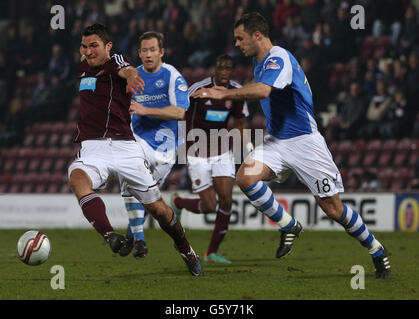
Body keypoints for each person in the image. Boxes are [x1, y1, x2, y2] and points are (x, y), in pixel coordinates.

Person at [192, 12, 391, 279]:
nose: (237, 44)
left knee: (333, 209)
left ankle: (377, 250)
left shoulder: (279, 58)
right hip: (277, 142)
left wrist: (224, 93)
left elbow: (262, 91)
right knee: (246, 177)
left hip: (305, 143)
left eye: (240, 38)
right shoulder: (258, 61)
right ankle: (288, 225)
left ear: (257, 35)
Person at [67, 23, 203, 277]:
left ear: (108, 46)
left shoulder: (115, 61)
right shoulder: (83, 67)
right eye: (84, 46)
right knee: (76, 178)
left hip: (125, 146)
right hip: (93, 146)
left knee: (158, 210)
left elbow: (127, 69)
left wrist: (131, 78)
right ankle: (110, 236)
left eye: (94, 45)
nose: (88, 51)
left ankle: (187, 250)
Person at [169, 54, 249, 264]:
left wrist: (249, 149)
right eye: (220, 68)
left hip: (222, 151)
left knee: (226, 199)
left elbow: (240, 122)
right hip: (197, 153)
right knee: (209, 206)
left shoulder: (236, 92)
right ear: (215, 69)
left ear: (232, 71)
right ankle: (178, 201)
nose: (223, 72)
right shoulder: (198, 89)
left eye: (228, 68)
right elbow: (180, 113)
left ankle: (211, 252)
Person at [119, 31, 189, 259]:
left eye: (153, 50)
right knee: (129, 171)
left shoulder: (172, 76)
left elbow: (180, 112)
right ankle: (139, 240)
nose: (148, 55)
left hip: (165, 148)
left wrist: (145, 109)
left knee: (148, 198)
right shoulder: (133, 76)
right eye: (144, 51)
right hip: (137, 140)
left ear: (161, 52)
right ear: (139, 53)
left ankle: (132, 234)